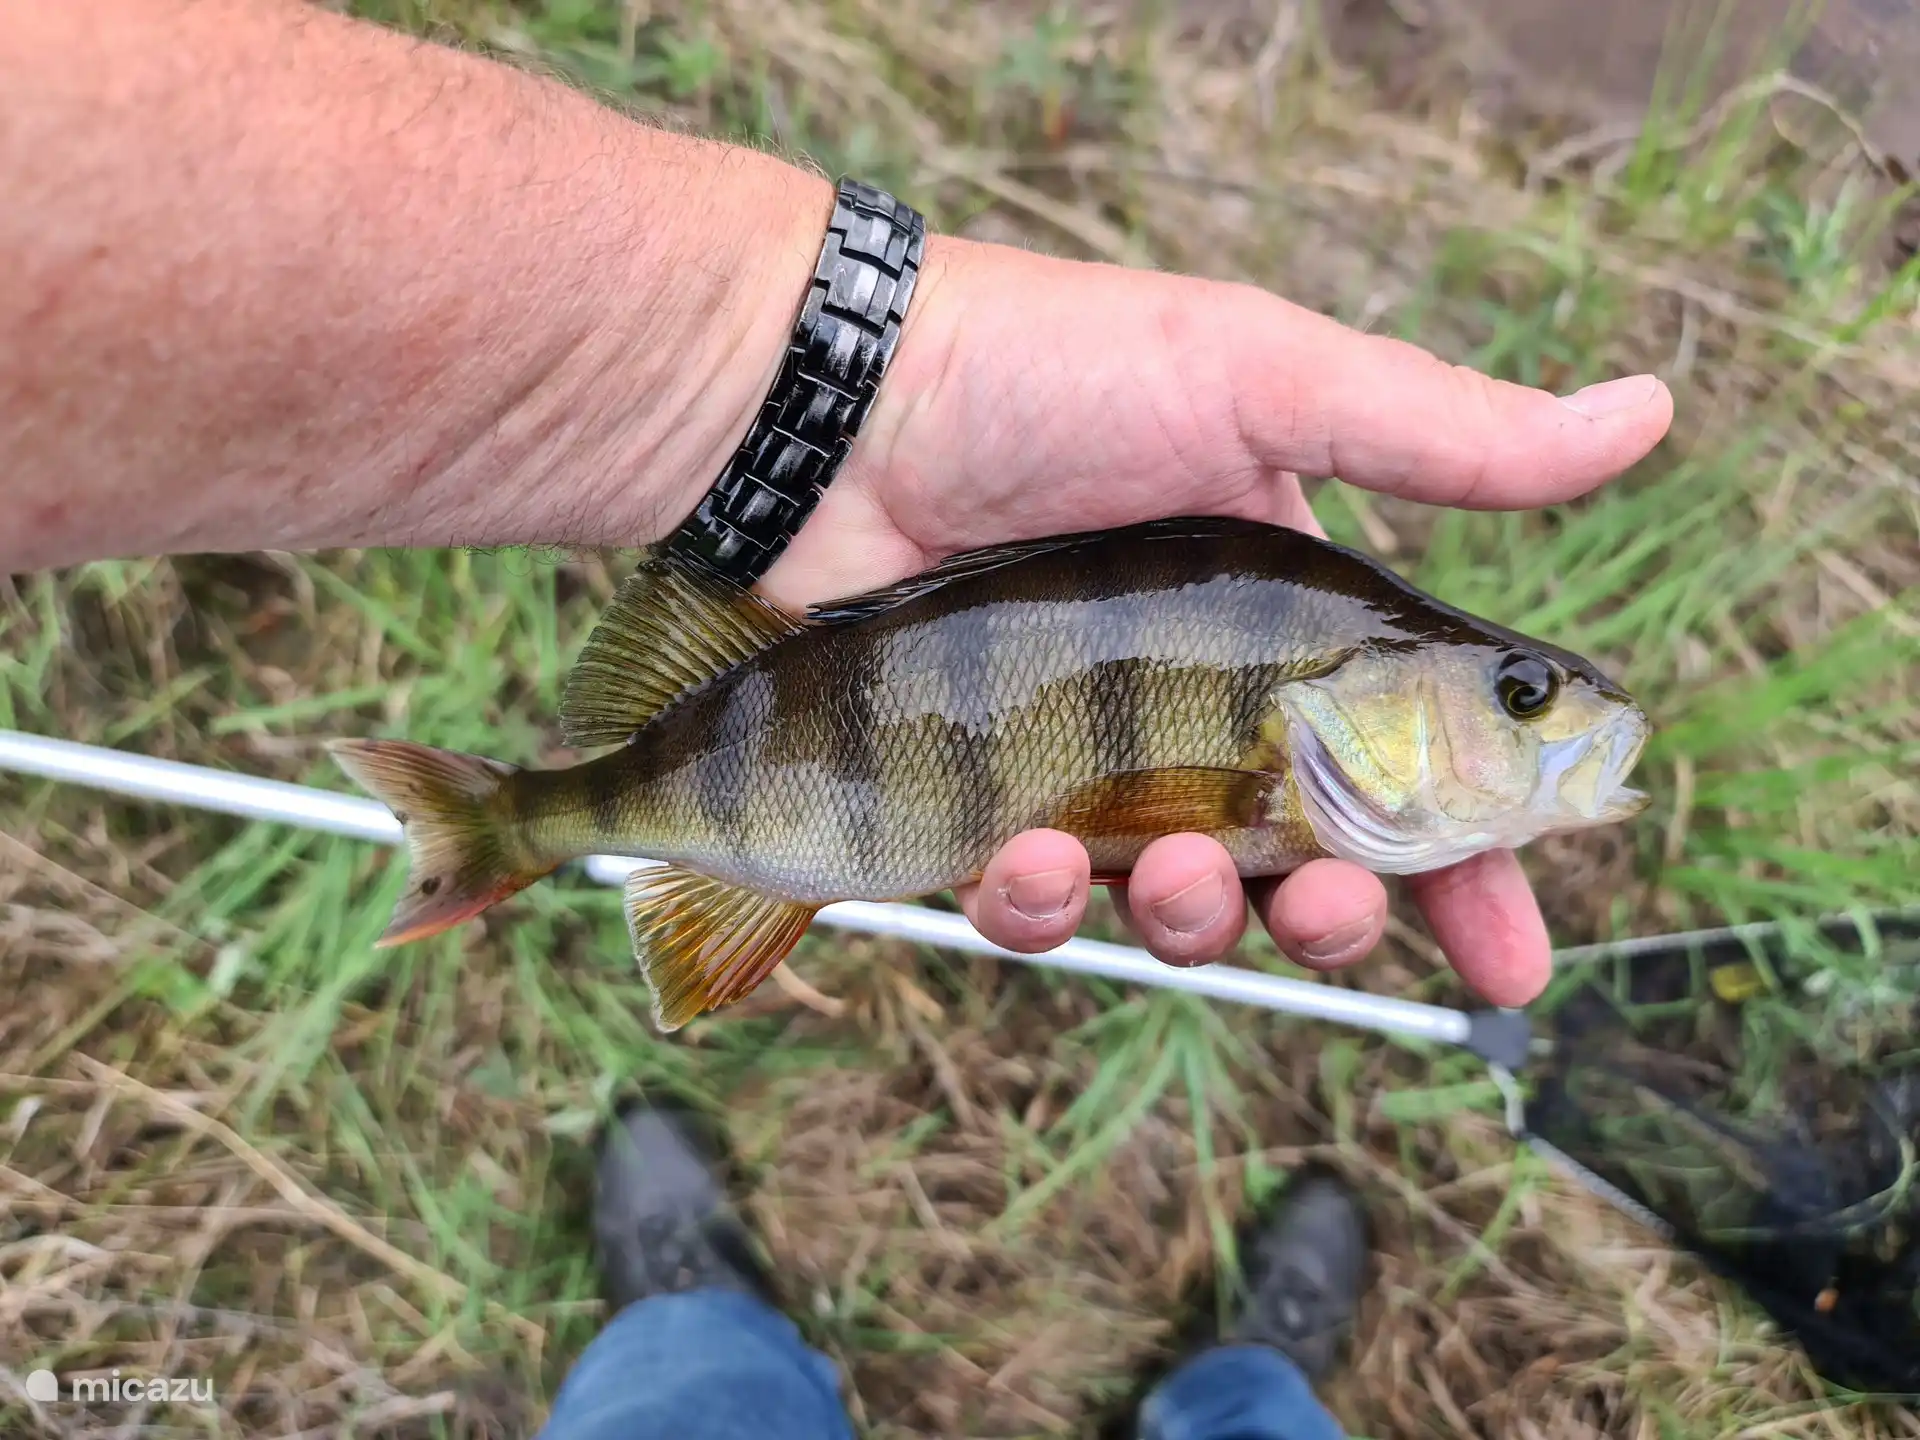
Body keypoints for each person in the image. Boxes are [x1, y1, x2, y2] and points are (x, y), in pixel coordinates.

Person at [3, 1, 1674, 1432]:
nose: (1549, 715)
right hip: (764, 744)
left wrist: (780, 362)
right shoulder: (1284, 702)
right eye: (1516, 695)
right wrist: (807, 368)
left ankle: (695, 1340)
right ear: (1377, 696)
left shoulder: (1296, 696)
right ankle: (1231, 1396)